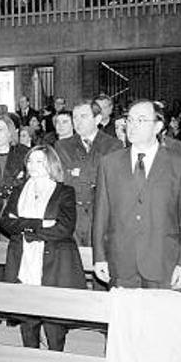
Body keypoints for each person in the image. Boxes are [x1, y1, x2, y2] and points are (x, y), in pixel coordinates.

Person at [93, 100, 181, 290]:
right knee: (125, 319)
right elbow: (101, 215)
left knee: (160, 319)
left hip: (163, 262)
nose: (132, 126)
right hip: (121, 263)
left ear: (158, 126)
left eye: (141, 120)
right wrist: (100, 257)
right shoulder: (109, 164)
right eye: (130, 120)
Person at [0, 145, 84, 352]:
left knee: (53, 321)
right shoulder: (19, 191)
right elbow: (5, 223)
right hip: (24, 258)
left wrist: (25, 226)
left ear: (51, 164)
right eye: (30, 161)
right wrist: (41, 224)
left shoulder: (64, 191)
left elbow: (64, 228)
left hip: (54, 261)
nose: (33, 166)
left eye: (39, 161)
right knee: (27, 316)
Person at [54, 101, 122, 250]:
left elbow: (112, 181)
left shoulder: (113, 145)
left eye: (83, 116)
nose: (77, 122)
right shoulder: (62, 146)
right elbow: (62, 179)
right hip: (72, 214)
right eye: (75, 117)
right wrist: (93, 176)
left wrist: (76, 173)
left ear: (97, 119)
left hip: (100, 213)